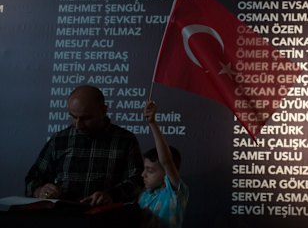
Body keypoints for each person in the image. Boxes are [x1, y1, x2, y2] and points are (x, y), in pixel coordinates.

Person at [25, 84, 144, 206]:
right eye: (73, 117)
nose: (78, 125)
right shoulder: (59, 139)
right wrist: (40, 191)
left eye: (86, 118)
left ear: (103, 111)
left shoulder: (125, 140)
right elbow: (33, 178)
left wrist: (111, 195)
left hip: (106, 217)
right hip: (63, 215)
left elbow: (138, 181)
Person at [139, 100, 189, 228]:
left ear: (166, 173)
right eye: (144, 169)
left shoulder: (174, 193)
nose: (143, 174)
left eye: (150, 171)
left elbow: (166, 161)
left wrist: (152, 123)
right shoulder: (144, 195)